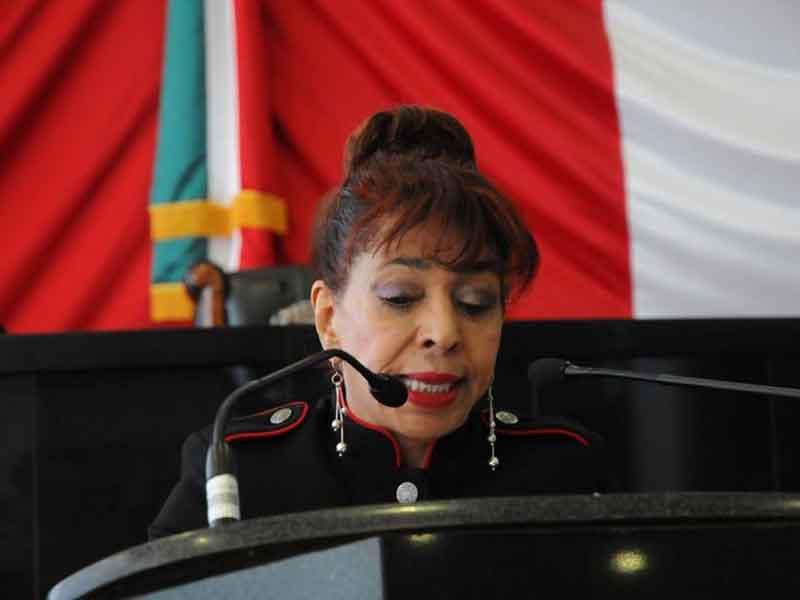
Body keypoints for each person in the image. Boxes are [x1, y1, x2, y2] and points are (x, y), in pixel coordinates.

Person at [148, 105, 608, 540]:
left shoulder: (565, 472)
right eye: (400, 298)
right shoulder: (236, 471)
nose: (444, 333)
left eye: (475, 302)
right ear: (328, 318)